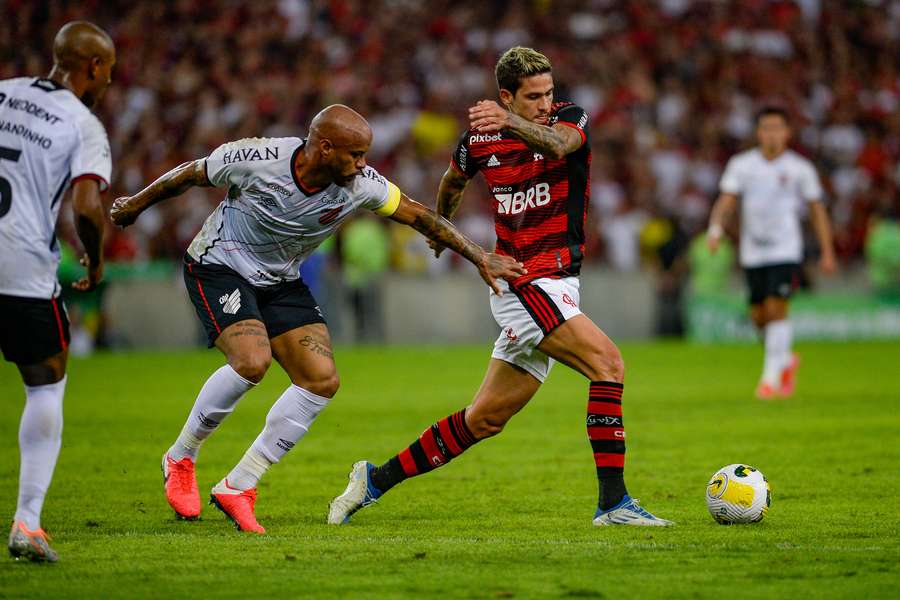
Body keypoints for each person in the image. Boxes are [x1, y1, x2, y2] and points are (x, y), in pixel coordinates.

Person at [109, 104, 524, 534]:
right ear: (325, 148)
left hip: (280, 279)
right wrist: (135, 206)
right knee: (253, 362)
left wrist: (478, 256)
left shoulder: (361, 185)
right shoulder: (256, 159)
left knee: (321, 379)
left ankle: (240, 485)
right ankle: (181, 455)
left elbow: (419, 215)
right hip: (219, 267)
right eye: (355, 154)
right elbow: (190, 173)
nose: (363, 164)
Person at [329, 47, 672, 527]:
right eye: (533, 97)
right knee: (608, 364)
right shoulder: (479, 142)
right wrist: (440, 229)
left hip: (558, 283)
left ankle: (373, 480)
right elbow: (452, 181)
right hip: (521, 281)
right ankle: (614, 505)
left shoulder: (570, 119)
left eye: (549, 93)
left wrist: (510, 123)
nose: (545, 103)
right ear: (506, 96)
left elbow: (557, 145)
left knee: (483, 420)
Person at [0, 21, 115, 562]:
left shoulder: (3, 92)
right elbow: (88, 204)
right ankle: (27, 523)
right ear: (92, 67)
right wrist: (94, 253)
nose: (109, 84)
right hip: (21, 270)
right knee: (46, 383)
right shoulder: (81, 122)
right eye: (108, 72)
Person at [706, 106, 836, 399]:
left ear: (787, 132)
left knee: (777, 309)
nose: (772, 133)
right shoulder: (742, 165)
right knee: (759, 316)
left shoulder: (800, 169)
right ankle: (785, 360)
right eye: (766, 128)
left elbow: (817, 211)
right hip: (753, 252)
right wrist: (715, 230)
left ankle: (770, 379)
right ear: (758, 133)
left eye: (777, 128)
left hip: (786, 250)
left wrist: (827, 251)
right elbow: (726, 201)